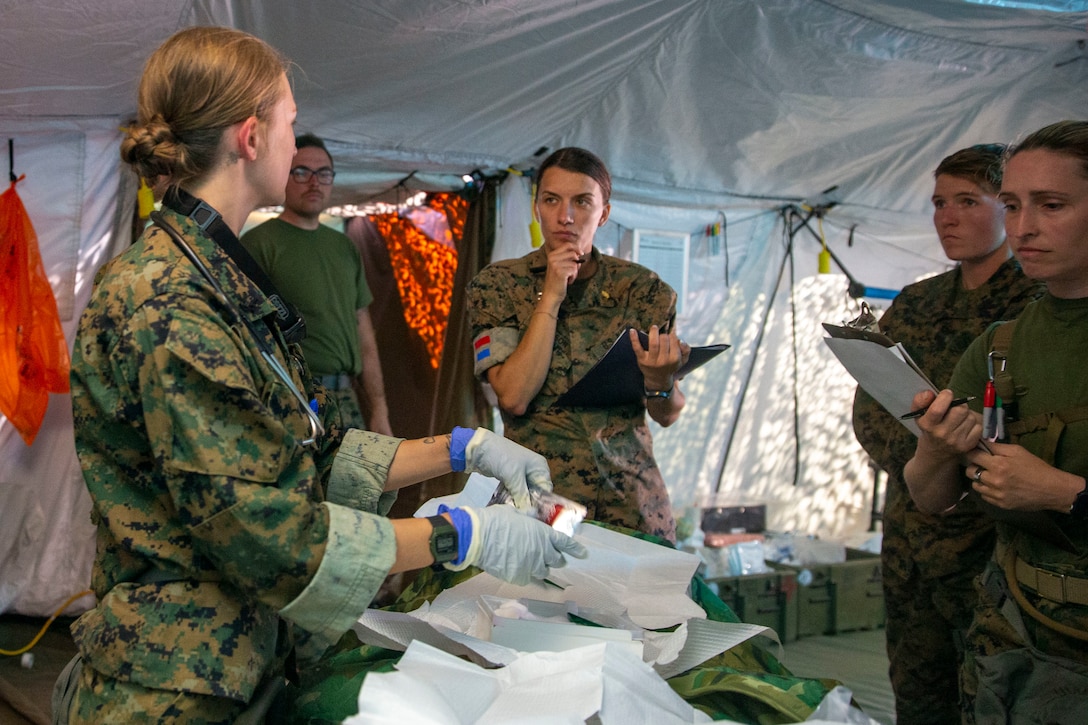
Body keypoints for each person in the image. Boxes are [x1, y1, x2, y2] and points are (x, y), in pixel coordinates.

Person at [56, 26, 586, 724]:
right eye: (291, 122)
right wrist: (465, 534)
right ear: (251, 137)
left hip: (235, 660)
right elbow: (269, 532)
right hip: (175, 684)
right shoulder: (170, 300)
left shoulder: (217, 277)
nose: (295, 142)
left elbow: (304, 446)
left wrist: (463, 447)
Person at [903, 120, 1088, 724]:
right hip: (1013, 634)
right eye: (1012, 205)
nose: (1024, 227)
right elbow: (929, 497)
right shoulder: (1000, 344)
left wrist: (1064, 494)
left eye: (1052, 205)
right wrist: (934, 449)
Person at [851, 144, 1042, 723]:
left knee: (993, 693)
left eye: (967, 201)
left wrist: (957, 463)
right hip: (912, 536)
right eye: (938, 203)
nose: (947, 217)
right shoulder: (917, 301)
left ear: (1008, 208)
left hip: (993, 545)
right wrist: (931, 457)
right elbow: (870, 412)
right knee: (917, 690)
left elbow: (1033, 431)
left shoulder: (1036, 303)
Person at [467, 147, 688, 542]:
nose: (565, 216)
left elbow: (667, 414)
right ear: (537, 208)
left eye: (582, 202)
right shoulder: (499, 285)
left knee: (643, 602)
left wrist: (660, 382)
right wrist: (549, 298)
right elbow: (514, 396)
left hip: (632, 501)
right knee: (542, 601)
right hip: (544, 502)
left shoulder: (643, 291)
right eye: (552, 200)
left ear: (603, 213)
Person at [242, 133, 392, 435]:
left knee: (360, 482)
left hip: (346, 398)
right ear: (284, 175)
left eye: (323, 173)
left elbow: (364, 334)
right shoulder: (258, 244)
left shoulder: (344, 246)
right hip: (291, 398)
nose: (314, 182)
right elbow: (245, 335)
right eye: (302, 172)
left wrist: (379, 412)